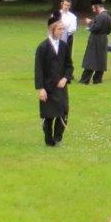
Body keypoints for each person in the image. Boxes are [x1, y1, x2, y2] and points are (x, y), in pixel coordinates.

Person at [35, 19, 73, 147]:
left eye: (63, 29)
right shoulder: (43, 47)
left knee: (63, 111)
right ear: (52, 30)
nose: (62, 31)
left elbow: (69, 65)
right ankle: (48, 139)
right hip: (47, 87)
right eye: (59, 29)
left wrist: (65, 78)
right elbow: (38, 69)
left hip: (61, 86)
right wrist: (40, 88)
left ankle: (58, 136)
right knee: (49, 115)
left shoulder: (64, 46)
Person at [79, 0, 111, 84]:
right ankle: (97, 79)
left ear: (98, 7)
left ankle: (84, 80)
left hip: (96, 40)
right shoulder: (108, 16)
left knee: (91, 59)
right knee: (101, 59)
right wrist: (93, 23)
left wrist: (90, 23)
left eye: (94, 8)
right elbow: (108, 30)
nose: (93, 10)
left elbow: (95, 28)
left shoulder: (100, 16)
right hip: (103, 39)